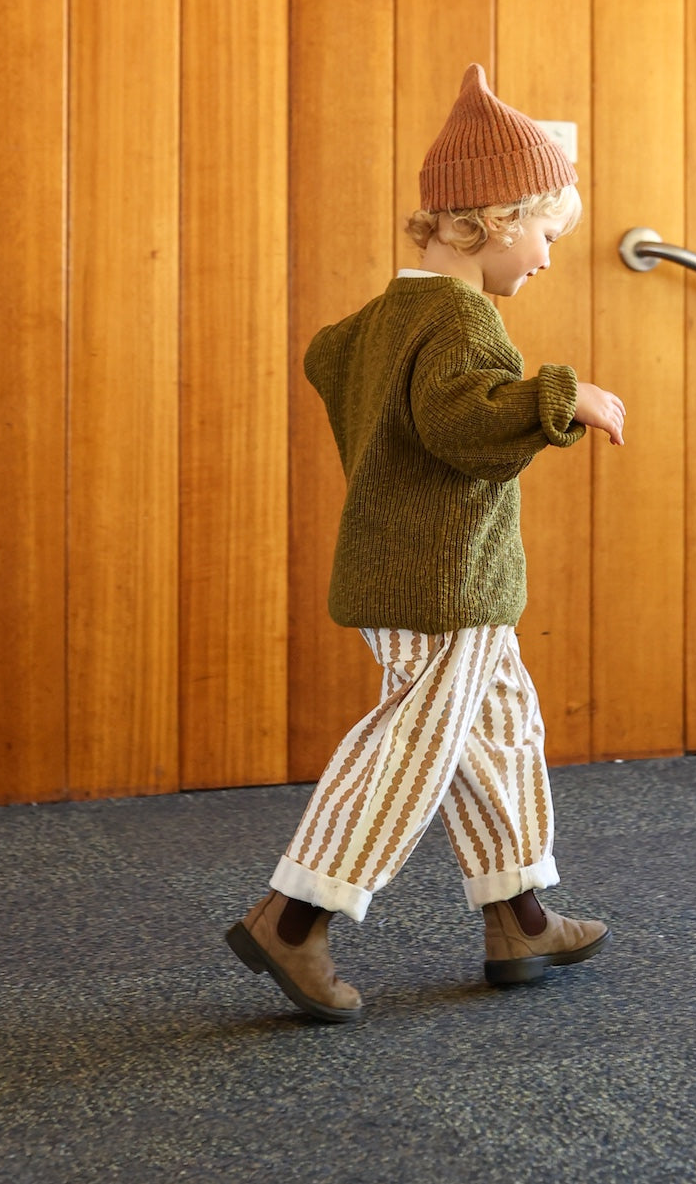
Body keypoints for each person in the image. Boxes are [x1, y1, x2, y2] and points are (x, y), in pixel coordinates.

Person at [226, 63, 626, 1023]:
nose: (543, 256)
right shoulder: (459, 314)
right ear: (486, 219)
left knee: (496, 729)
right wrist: (558, 397)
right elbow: (462, 422)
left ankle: (518, 912)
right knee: (414, 741)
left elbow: (330, 355)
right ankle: (294, 916)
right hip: (441, 579)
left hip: (413, 570)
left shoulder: (384, 317)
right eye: (540, 234)